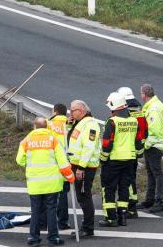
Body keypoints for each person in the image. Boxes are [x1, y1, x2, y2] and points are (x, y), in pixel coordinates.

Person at [16, 117, 75, 246]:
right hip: (51, 183)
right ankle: (53, 238)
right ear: (47, 127)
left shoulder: (26, 141)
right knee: (51, 211)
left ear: (34, 127)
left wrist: (30, 162)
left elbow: (19, 160)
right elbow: (63, 163)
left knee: (35, 211)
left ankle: (34, 238)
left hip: (35, 184)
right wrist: (70, 176)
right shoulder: (53, 141)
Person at [98, 91, 145, 227]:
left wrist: (103, 159)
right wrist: (138, 154)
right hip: (129, 161)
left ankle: (111, 218)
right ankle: (122, 216)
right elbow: (138, 142)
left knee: (109, 189)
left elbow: (107, 143)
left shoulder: (112, 122)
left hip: (113, 161)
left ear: (114, 107)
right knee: (124, 188)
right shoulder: (133, 121)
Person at [67, 100, 101, 238]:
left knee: (84, 196)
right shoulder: (80, 123)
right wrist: (70, 124)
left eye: (73, 110)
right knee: (81, 196)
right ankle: (86, 226)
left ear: (81, 111)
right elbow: (70, 138)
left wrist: (81, 167)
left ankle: (88, 227)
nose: (71, 113)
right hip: (77, 164)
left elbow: (89, 147)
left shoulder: (91, 125)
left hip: (85, 166)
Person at [117, 86, 148, 218]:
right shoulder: (139, 111)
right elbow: (145, 130)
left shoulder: (124, 113)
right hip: (136, 150)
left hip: (125, 151)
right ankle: (132, 205)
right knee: (131, 178)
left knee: (126, 180)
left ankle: (130, 206)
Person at [139, 84, 163, 213]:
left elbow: (154, 130)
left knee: (157, 173)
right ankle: (150, 200)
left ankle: (158, 201)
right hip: (154, 144)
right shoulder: (154, 105)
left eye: (141, 93)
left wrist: (146, 144)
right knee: (152, 173)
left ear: (144, 94)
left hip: (154, 145)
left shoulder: (153, 108)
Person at [47, 103, 71, 231]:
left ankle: (46, 221)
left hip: (51, 162)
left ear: (55, 112)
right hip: (66, 162)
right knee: (63, 194)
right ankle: (63, 222)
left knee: (49, 194)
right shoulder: (70, 123)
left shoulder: (49, 124)